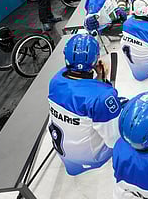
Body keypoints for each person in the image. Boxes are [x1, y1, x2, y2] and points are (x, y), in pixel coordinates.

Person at [48, 34, 123, 175]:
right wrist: (104, 83)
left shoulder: (55, 80)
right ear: (96, 59)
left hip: (64, 152)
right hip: (92, 158)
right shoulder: (102, 96)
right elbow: (114, 140)